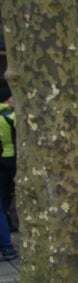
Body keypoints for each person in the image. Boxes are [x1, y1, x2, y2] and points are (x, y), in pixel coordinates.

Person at [0, 87, 17, 233]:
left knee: (4, 194)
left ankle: (6, 221)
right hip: (13, 157)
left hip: (2, 158)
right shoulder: (11, 116)